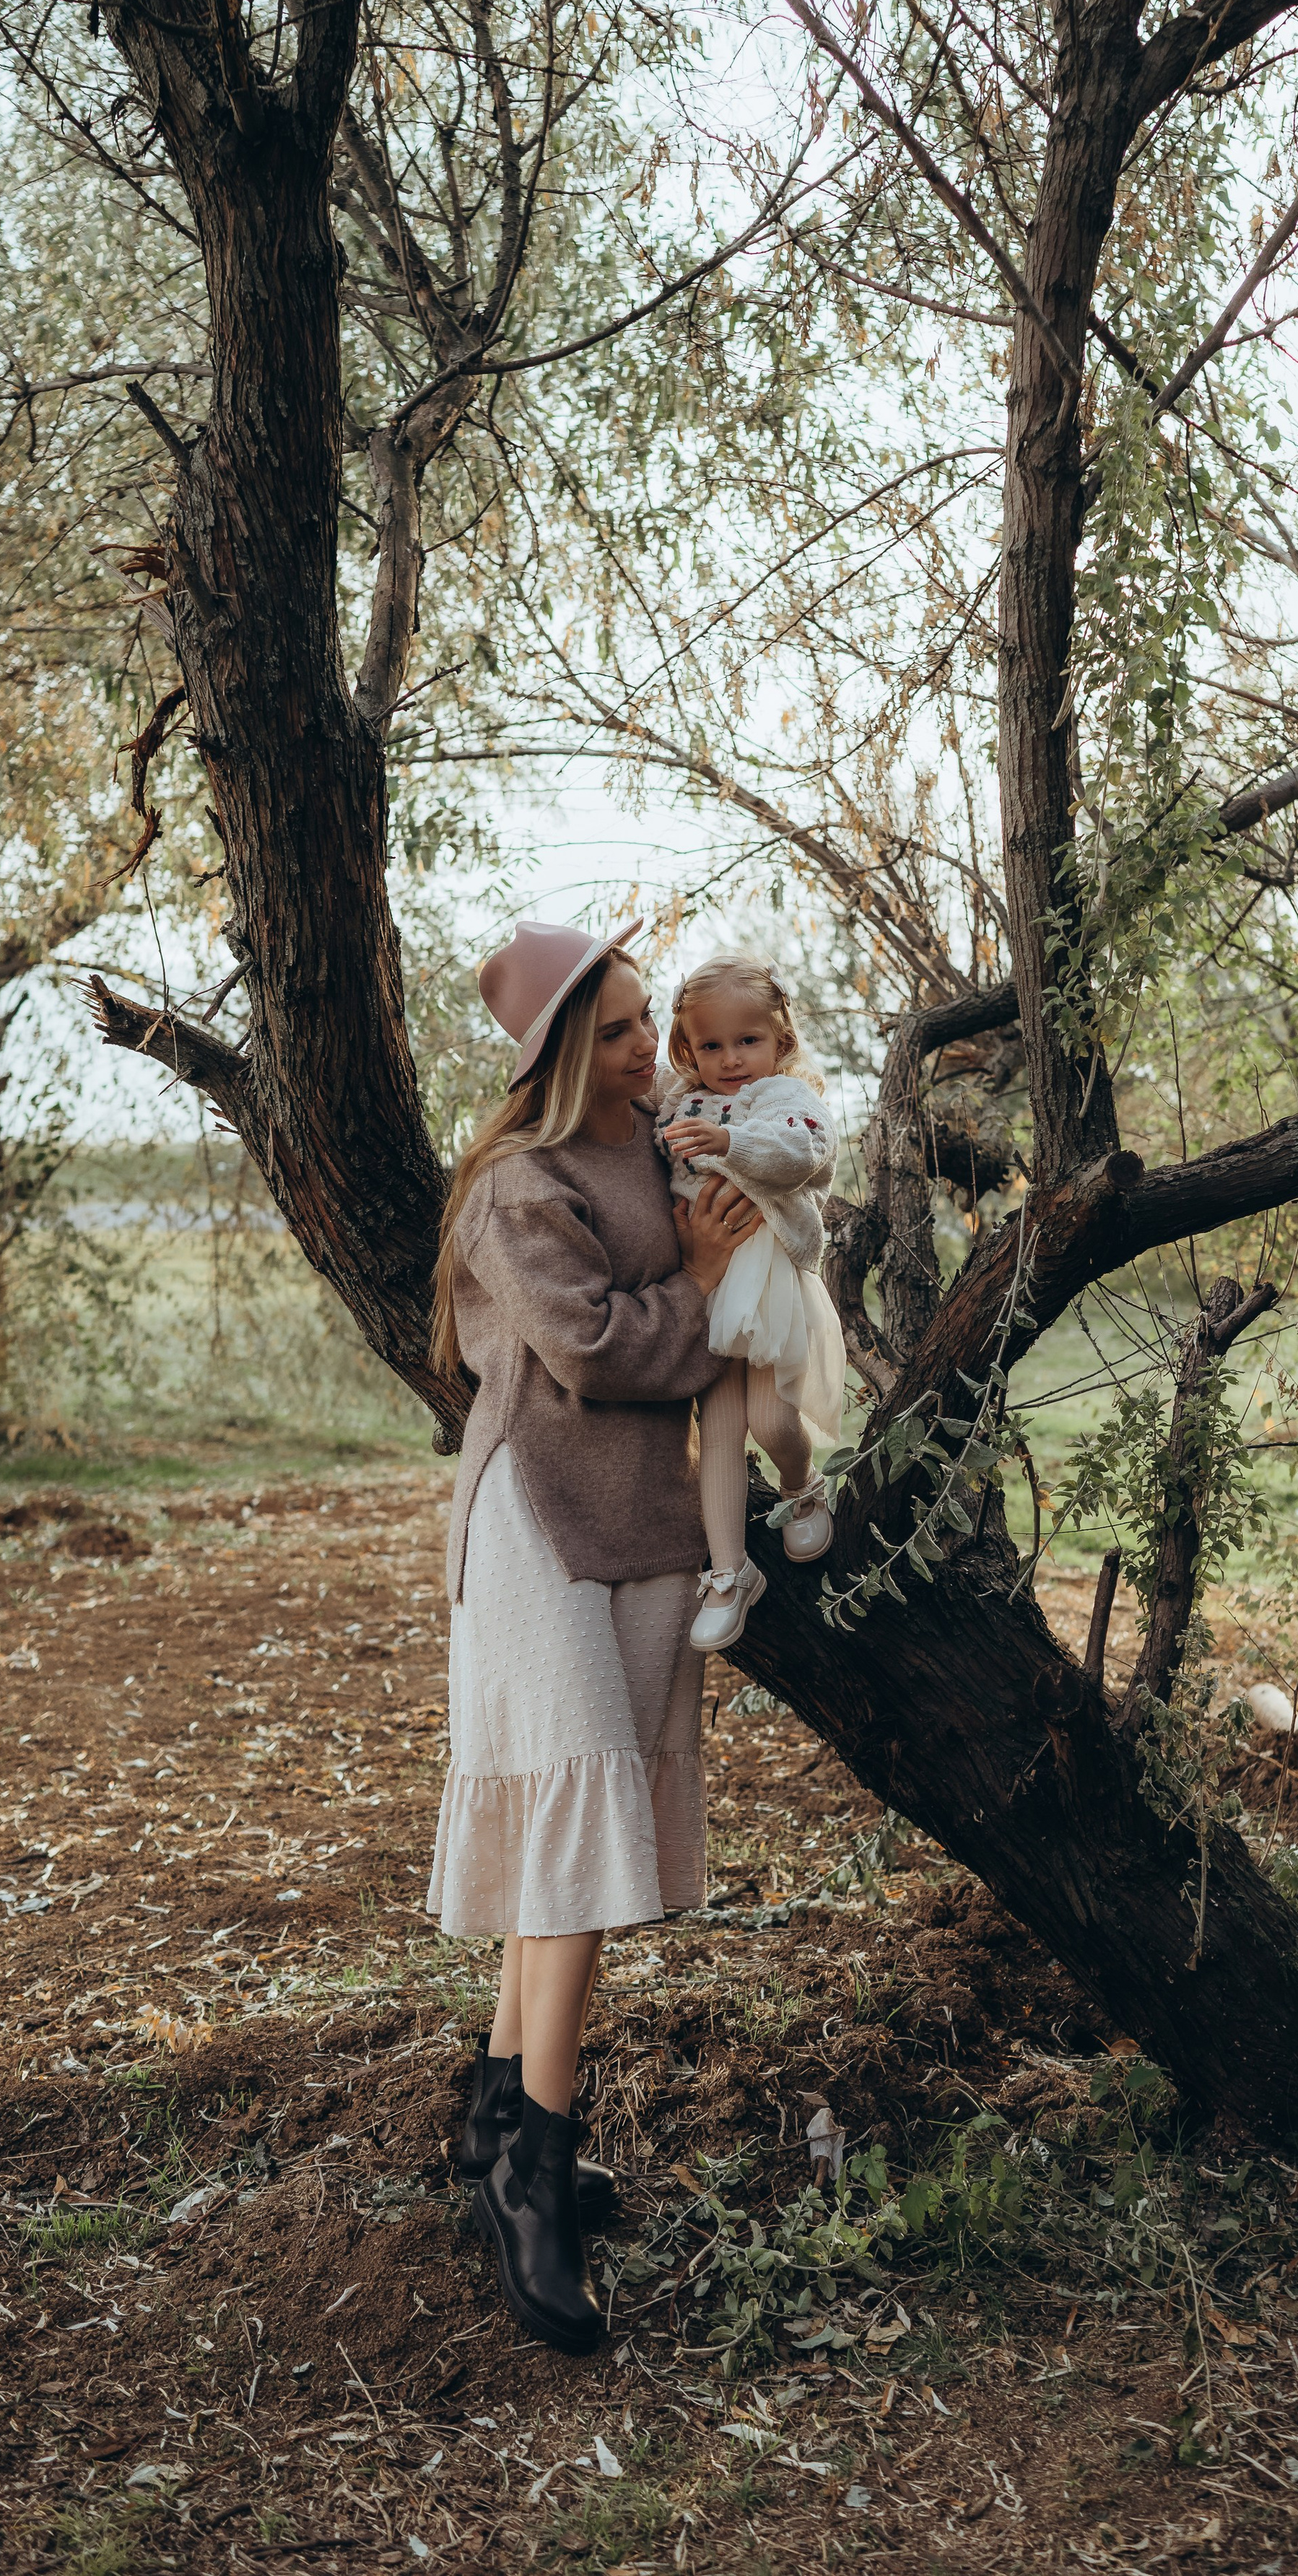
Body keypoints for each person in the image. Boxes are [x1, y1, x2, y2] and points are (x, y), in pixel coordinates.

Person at [426, 917, 762, 2354]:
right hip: (538, 1524)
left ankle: (498, 2114)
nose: (652, 1046)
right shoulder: (516, 1182)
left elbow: (748, 1315)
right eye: (622, 1029)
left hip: (649, 1519)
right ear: (564, 1049)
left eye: (647, 1023)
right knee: (566, 1846)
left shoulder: (670, 1145)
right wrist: (695, 1291)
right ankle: (534, 2179)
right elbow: (598, 1348)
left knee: (569, 1846)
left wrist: (712, 1287)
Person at [655, 951, 847, 1653]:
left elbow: (802, 1154)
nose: (731, 1058)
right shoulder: (680, 1098)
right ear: (687, 1049)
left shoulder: (785, 1099)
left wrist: (729, 1140)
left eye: (748, 1040)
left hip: (763, 1285)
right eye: (711, 1045)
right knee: (720, 1438)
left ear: (780, 1041)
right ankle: (730, 1573)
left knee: (772, 1421)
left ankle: (802, 1485)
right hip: (706, 1284)